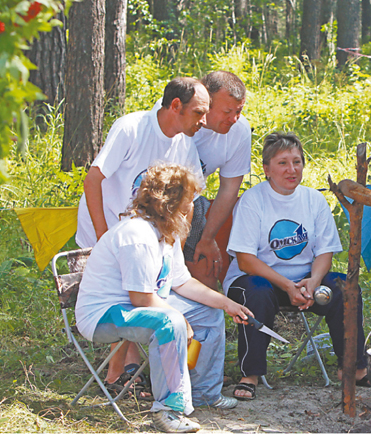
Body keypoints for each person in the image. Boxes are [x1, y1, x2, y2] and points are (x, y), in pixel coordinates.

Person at [75, 78, 238, 409]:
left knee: (183, 307)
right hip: (110, 229)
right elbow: (93, 180)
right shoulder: (132, 127)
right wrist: (106, 237)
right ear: (175, 106)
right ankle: (121, 380)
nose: (203, 121)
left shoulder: (184, 145)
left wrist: (174, 239)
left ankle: (184, 388)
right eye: (198, 112)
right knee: (140, 303)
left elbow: (190, 200)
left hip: (153, 232)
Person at [75, 164, 253, 433]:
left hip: (140, 305)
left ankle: (205, 393)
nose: (193, 207)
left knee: (209, 312)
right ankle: (168, 410)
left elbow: (181, 282)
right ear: (170, 203)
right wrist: (180, 317)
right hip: (103, 314)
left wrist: (226, 303)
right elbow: (140, 298)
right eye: (189, 200)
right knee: (170, 322)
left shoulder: (166, 234)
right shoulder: (137, 235)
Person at [223, 133, 368, 400]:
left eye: (297, 162)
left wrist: (313, 281)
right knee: (257, 292)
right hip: (257, 278)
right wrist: (287, 285)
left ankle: (353, 368)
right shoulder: (253, 201)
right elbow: (245, 260)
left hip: (304, 282)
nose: (292, 170)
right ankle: (250, 375)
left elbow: (325, 252)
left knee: (346, 288)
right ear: (266, 169)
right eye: (282, 163)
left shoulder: (314, 200)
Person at [182, 71, 251, 290]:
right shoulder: (177, 116)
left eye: (239, 111)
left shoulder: (239, 131)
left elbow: (229, 189)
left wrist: (208, 237)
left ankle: (206, 322)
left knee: (206, 269)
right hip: (154, 206)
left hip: (193, 204)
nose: (234, 119)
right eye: (227, 111)